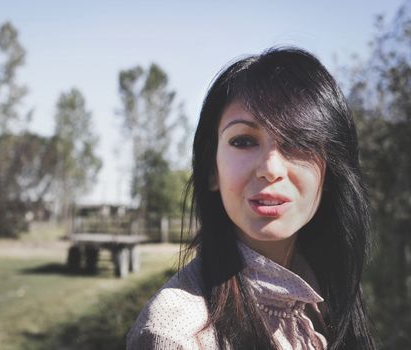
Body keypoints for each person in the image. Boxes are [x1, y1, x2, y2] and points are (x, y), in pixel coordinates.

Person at [126, 47, 376, 350]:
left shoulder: (328, 299)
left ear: (331, 168)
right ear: (211, 171)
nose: (271, 169)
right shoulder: (175, 336)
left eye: (298, 142)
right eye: (243, 141)